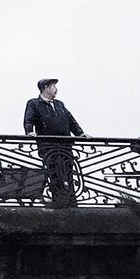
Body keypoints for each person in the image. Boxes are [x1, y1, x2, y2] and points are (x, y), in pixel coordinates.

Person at [23, 78, 87, 207]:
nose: (56, 90)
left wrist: (80, 134)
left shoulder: (59, 104)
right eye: (53, 87)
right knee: (55, 172)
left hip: (65, 145)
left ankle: (71, 201)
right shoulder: (34, 103)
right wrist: (29, 132)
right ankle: (59, 201)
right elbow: (28, 120)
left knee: (68, 172)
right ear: (46, 88)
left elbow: (71, 120)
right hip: (49, 146)